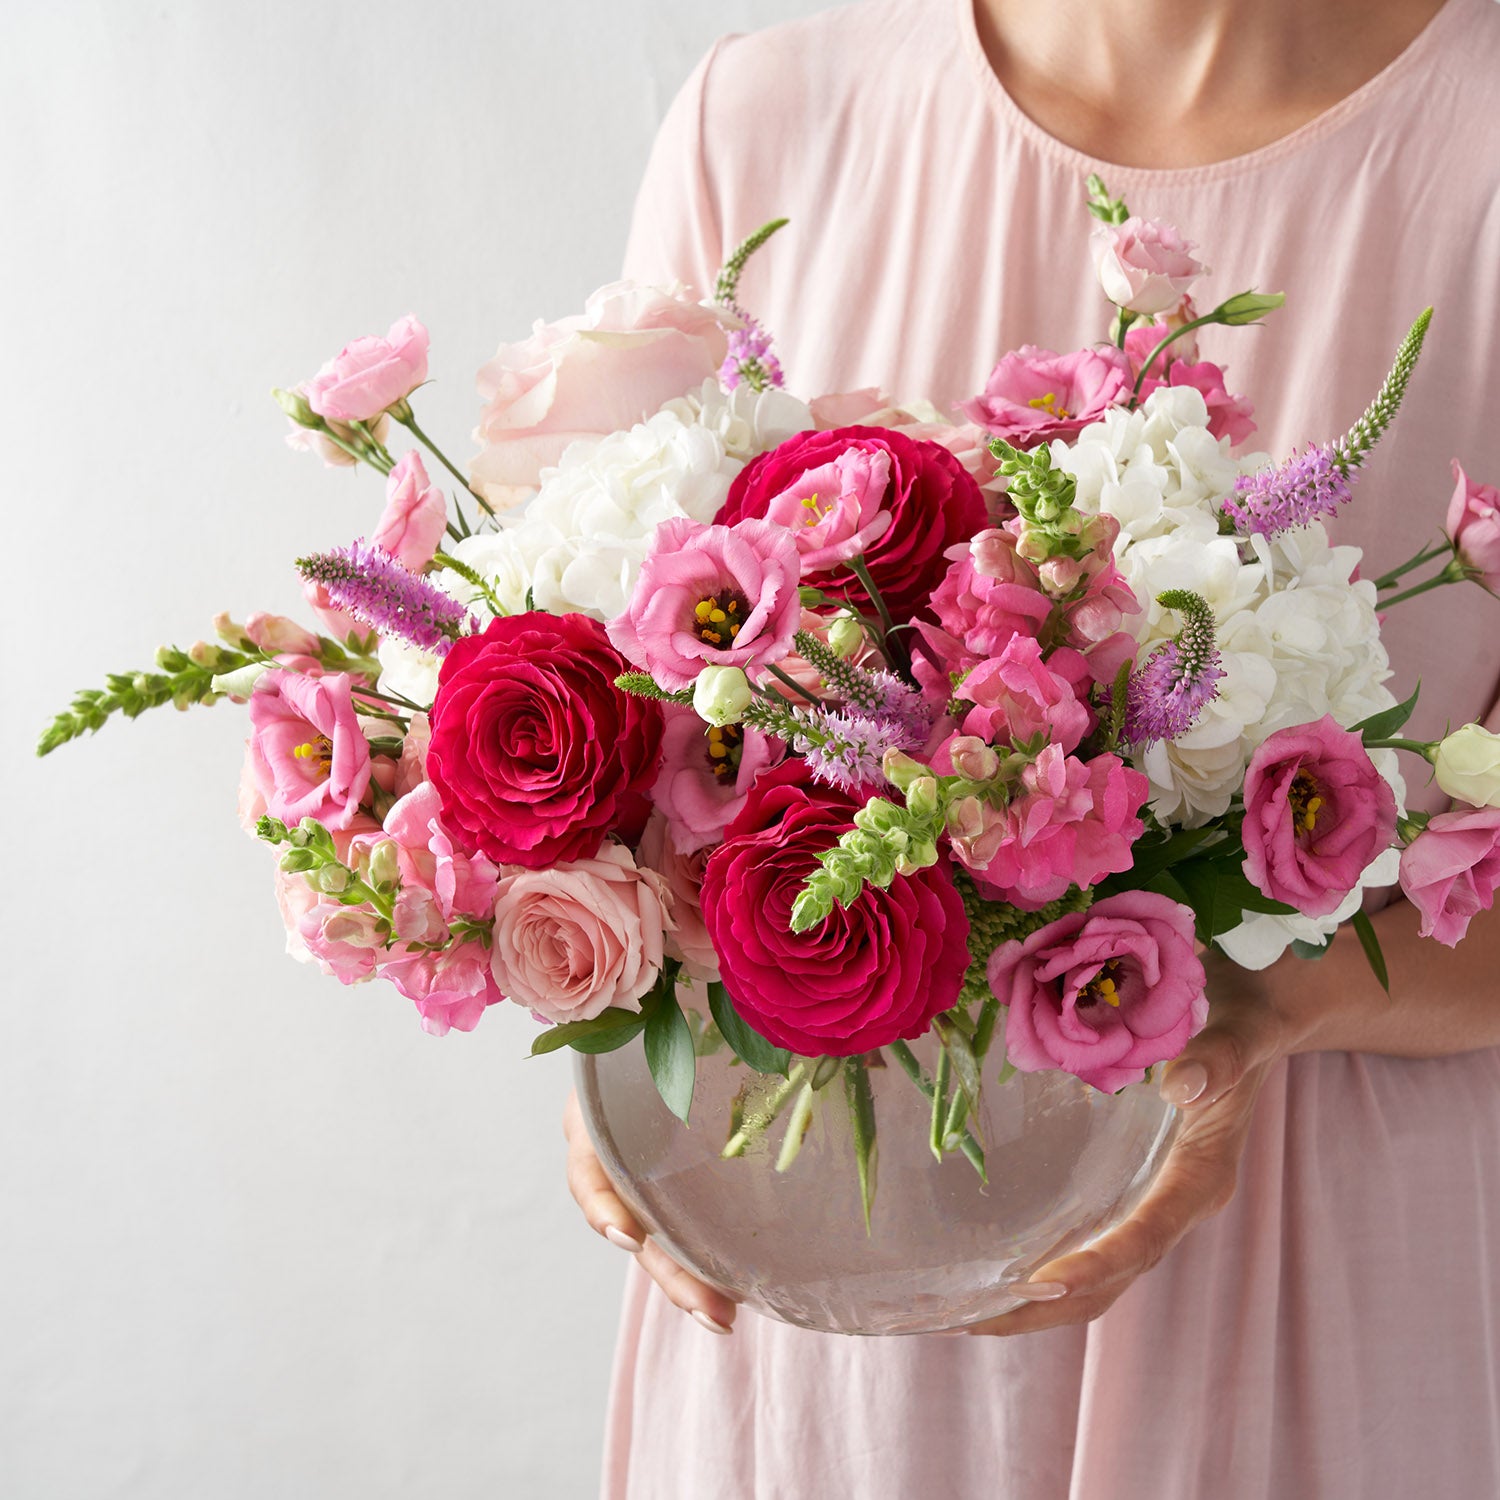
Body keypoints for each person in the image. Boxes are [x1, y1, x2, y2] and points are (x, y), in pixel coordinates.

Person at [565, 0, 1500, 1493]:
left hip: (1305, 1286)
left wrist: (1257, 1019)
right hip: (825, 1315)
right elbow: (631, 691)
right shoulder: (766, 124)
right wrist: (621, 1005)